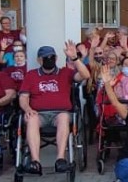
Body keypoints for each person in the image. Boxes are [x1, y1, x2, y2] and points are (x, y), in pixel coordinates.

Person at [17, 43, 91, 174]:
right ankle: (35, 162)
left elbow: (85, 75)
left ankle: (60, 160)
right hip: (38, 114)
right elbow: (23, 97)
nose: (49, 60)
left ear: (56, 58)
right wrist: (27, 108)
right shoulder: (31, 75)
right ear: (39, 60)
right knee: (31, 119)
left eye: (52, 57)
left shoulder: (65, 72)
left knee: (63, 117)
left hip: (60, 113)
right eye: (45, 58)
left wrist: (74, 58)